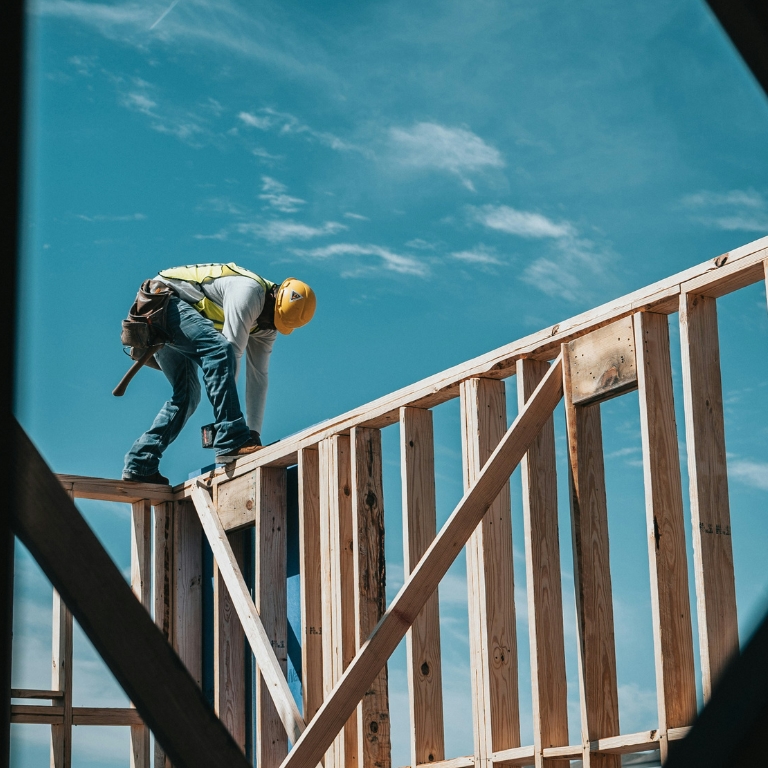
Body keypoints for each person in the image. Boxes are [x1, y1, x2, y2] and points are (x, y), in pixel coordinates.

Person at [122, 262, 316, 484]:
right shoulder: (249, 292)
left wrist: (254, 434)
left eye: (275, 324)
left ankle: (140, 462)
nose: (268, 326)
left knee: (187, 397)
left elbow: (258, 378)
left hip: (174, 316)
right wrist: (231, 431)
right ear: (274, 297)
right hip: (161, 302)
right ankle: (231, 437)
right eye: (270, 318)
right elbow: (229, 353)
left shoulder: (267, 325)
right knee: (219, 349)